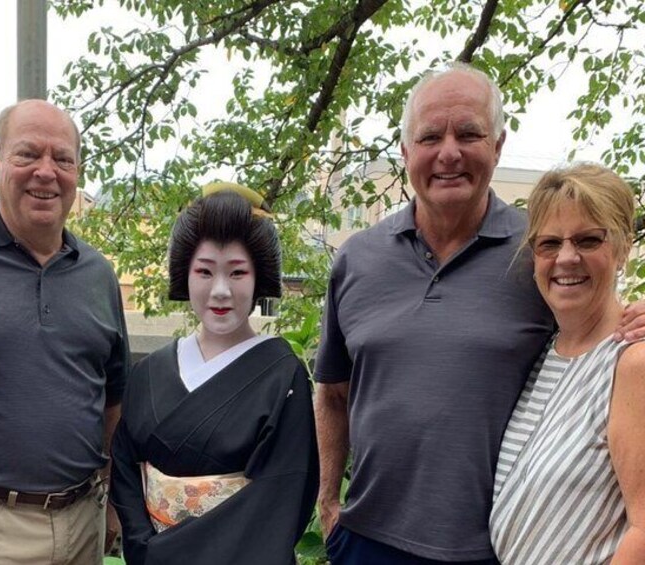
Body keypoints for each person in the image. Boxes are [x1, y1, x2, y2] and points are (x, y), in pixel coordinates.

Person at [314, 63, 645, 564]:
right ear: (406, 152)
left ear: (498, 145)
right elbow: (332, 393)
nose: (449, 152)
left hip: (491, 550)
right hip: (366, 540)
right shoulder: (357, 259)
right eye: (430, 137)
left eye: (469, 133)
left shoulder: (537, 253)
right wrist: (328, 503)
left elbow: (597, 318)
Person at [0, 99, 130, 564]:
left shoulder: (98, 274)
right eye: (28, 155)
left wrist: (114, 500)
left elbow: (114, 397)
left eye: (62, 158)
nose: (47, 172)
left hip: (84, 519)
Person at [110, 185, 319, 565]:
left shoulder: (282, 376)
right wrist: (144, 547)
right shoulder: (150, 372)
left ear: (258, 279)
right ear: (184, 276)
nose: (220, 291)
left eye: (237, 273)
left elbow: (282, 495)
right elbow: (124, 467)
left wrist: (168, 554)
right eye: (204, 271)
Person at [489, 163, 645, 563]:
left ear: (624, 247)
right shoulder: (545, 353)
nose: (567, 258)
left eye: (589, 240)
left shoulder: (632, 362)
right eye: (549, 244)